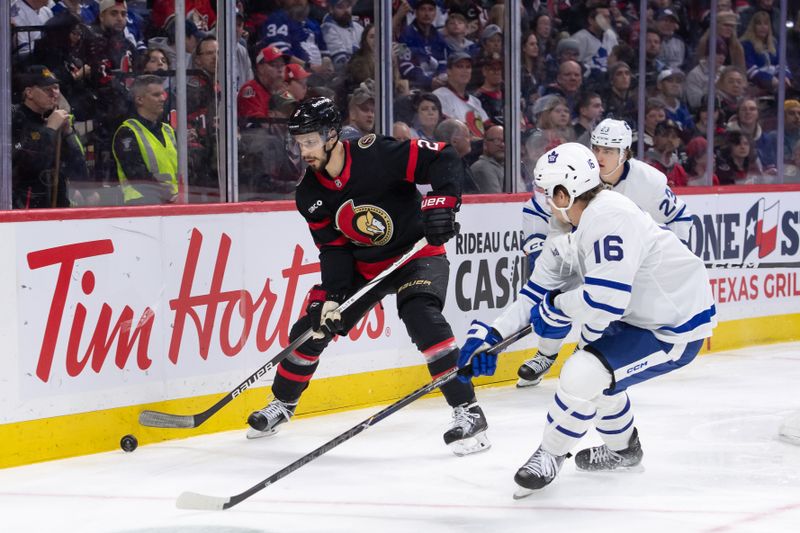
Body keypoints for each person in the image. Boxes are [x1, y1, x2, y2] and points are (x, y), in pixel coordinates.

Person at [457, 142, 716, 497]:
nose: (546, 201)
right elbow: (531, 297)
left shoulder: (611, 216)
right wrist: (490, 337)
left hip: (674, 324)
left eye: (550, 193)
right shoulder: (567, 232)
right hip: (637, 314)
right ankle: (625, 450)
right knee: (597, 375)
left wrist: (558, 307)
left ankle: (550, 454)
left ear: (566, 192)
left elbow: (606, 300)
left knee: (584, 372)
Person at [246, 97, 490, 457]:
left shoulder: (376, 153)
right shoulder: (310, 194)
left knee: (421, 315)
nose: (305, 150)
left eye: (310, 141)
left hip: (416, 254)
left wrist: (443, 203)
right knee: (309, 331)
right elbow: (333, 249)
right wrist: (331, 295)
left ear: (331, 136)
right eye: (299, 143)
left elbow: (444, 157)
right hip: (364, 268)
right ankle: (282, 404)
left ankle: (468, 412)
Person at [517, 119, 693, 387]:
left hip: (619, 256)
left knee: (605, 307)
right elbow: (536, 208)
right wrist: (536, 247)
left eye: (608, 151)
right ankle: (545, 355)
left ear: (625, 153)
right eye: (597, 148)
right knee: (558, 296)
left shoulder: (648, 181)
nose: (599, 156)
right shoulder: (579, 170)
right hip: (575, 247)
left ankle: (583, 355)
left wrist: (681, 257)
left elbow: (680, 216)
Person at [12, 65, 88, 209]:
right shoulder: (15, 118)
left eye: (56, 88)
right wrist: (51, 129)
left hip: (58, 204)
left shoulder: (53, 121)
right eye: (48, 89)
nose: (54, 94)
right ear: (29, 93)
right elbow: (29, 165)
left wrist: (68, 133)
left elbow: (79, 170)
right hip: (26, 207)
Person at [112, 74, 178, 204]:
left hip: (174, 201)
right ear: (140, 100)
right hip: (141, 202)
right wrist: (168, 196)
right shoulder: (127, 132)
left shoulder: (167, 130)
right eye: (156, 95)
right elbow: (136, 175)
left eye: (163, 94)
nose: (163, 99)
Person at [470, 125, 504, 193]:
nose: (502, 145)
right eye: (497, 140)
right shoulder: (482, 168)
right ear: (485, 145)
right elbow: (496, 201)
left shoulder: (508, 167)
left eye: (505, 141)